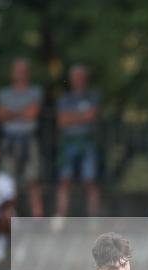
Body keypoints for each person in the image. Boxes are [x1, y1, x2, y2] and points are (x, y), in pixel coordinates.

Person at [0, 58, 44, 218]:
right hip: (9, 141)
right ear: (12, 73)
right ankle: (9, 220)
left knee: (33, 180)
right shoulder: (4, 93)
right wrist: (22, 113)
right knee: (8, 183)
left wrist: (11, 113)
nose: (20, 74)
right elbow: (0, 115)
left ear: (28, 73)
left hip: (28, 140)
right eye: (17, 70)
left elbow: (32, 114)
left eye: (23, 70)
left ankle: (37, 221)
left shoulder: (35, 91)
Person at [56, 64, 101, 218]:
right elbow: (62, 121)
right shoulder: (65, 98)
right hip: (69, 143)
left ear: (85, 78)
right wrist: (82, 116)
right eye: (75, 77)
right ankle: (61, 216)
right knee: (64, 180)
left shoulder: (92, 96)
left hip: (87, 142)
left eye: (80, 77)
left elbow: (91, 116)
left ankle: (94, 218)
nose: (77, 80)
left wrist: (71, 117)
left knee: (90, 180)